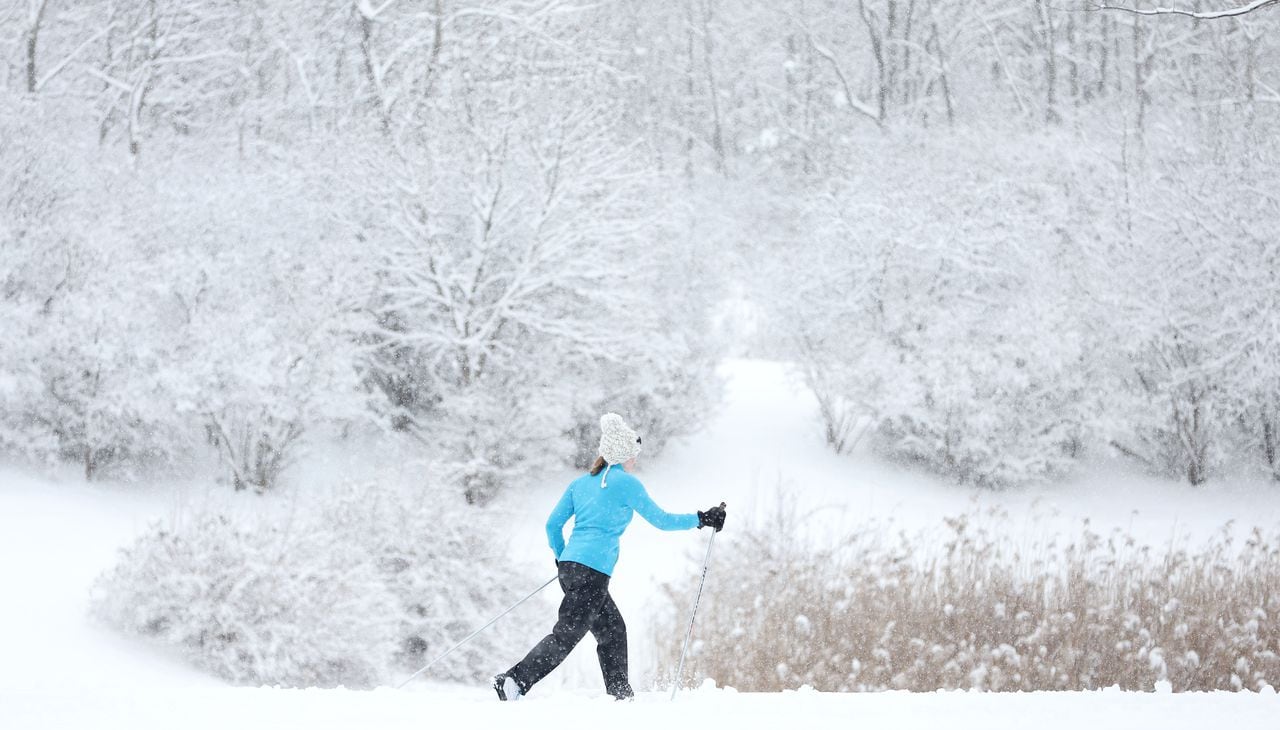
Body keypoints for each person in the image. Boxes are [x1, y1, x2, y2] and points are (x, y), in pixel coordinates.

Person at [491, 412, 727, 701]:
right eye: (633, 454)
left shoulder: (580, 484)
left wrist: (564, 560)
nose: (635, 459)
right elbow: (662, 520)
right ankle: (515, 681)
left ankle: (620, 695)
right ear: (623, 454)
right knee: (567, 634)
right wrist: (702, 518)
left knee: (612, 630)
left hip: (572, 568)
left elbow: (552, 525)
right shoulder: (626, 483)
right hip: (593, 572)